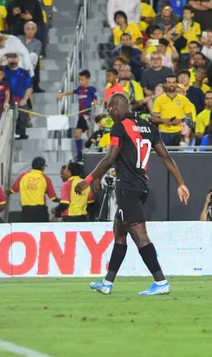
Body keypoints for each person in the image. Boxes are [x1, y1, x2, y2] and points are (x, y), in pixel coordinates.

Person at [76, 93, 190, 296]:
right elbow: (166, 157)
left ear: (117, 106)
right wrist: (181, 183)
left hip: (127, 187)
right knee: (119, 233)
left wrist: (88, 180)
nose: (109, 114)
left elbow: (109, 158)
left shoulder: (120, 127)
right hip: (141, 187)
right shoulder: (150, 127)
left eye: (110, 109)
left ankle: (161, 281)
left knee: (140, 237)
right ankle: (107, 282)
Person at [57, 70, 98, 161]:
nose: (80, 82)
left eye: (82, 80)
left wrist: (91, 113)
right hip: (81, 117)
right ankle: (79, 155)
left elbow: (95, 102)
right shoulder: (80, 89)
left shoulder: (92, 90)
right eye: (79, 80)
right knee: (77, 135)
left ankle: (94, 152)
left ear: (88, 79)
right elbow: (72, 92)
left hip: (88, 117)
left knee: (90, 135)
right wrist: (63, 94)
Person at [10, 156, 57, 222]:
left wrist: (7, 192)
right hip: (40, 211)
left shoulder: (23, 176)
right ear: (43, 167)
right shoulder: (46, 178)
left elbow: (13, 190)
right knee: (42, 230)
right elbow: (53, 198)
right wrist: (61, 201)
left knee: (28, 230)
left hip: (26, 211)